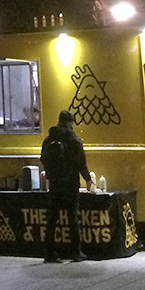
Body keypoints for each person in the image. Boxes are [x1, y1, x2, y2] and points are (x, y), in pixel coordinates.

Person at [40, 109, 90, 263]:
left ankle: (49, 252)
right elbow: (81, 163)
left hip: (55, 184)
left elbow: (43, 158)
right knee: (72, 218)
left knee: (52, 218)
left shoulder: (49, 139)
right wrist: (88, 179)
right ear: (70, 123)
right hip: (70, 184)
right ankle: (76, 252)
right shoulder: (74, 140)